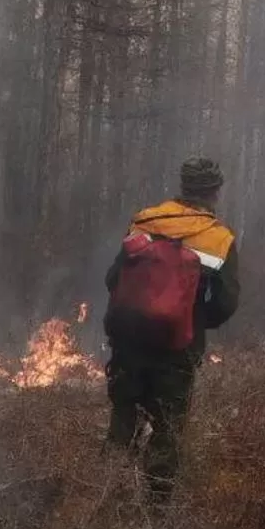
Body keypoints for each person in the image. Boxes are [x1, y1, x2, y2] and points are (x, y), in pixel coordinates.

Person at [102, 157, 240, 501]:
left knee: (123, 417)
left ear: (182, 186)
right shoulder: (219, 239)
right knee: (167, 427)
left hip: (128, 342)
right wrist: (189, 319)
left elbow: (111, 280)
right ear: (215, 191)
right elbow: (225, 305)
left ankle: (106, 496)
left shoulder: (145, 221)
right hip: (177, 350)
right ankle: (157, 512)